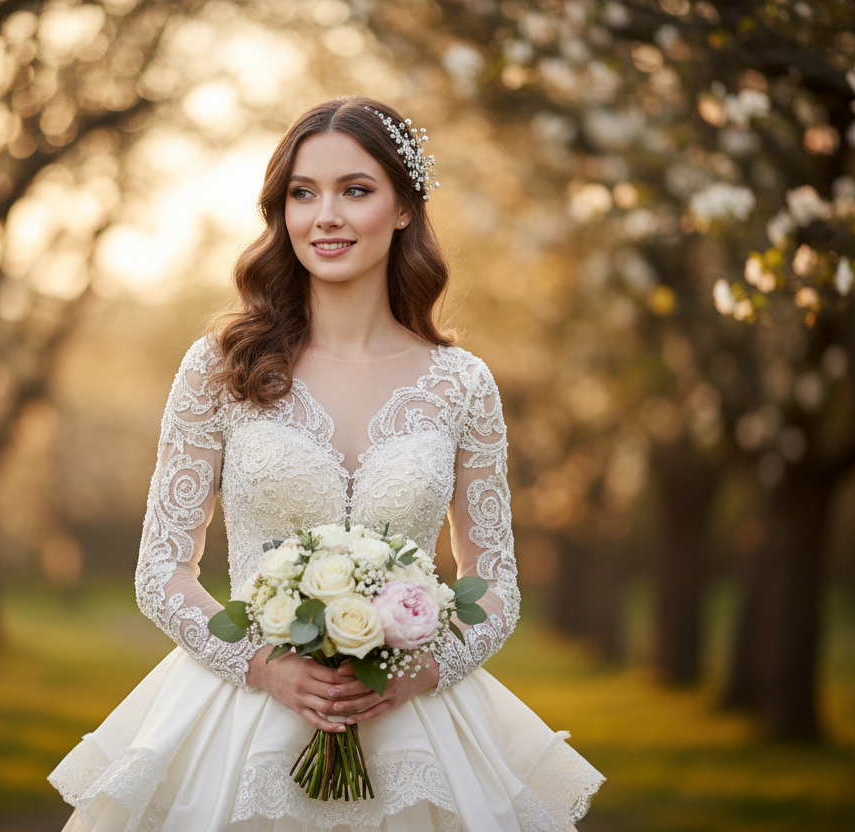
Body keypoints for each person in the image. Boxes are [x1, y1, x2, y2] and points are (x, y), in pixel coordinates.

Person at [48, 96, 604, 832]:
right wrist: (263, 666)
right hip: (240, 719)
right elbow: (161, 571)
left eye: (356, 190)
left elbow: (494, 583)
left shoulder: (462, 384)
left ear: (404, 208)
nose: (325, 216)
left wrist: (422, 671)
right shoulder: (220, 367)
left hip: (414, 722)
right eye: (303, 194)